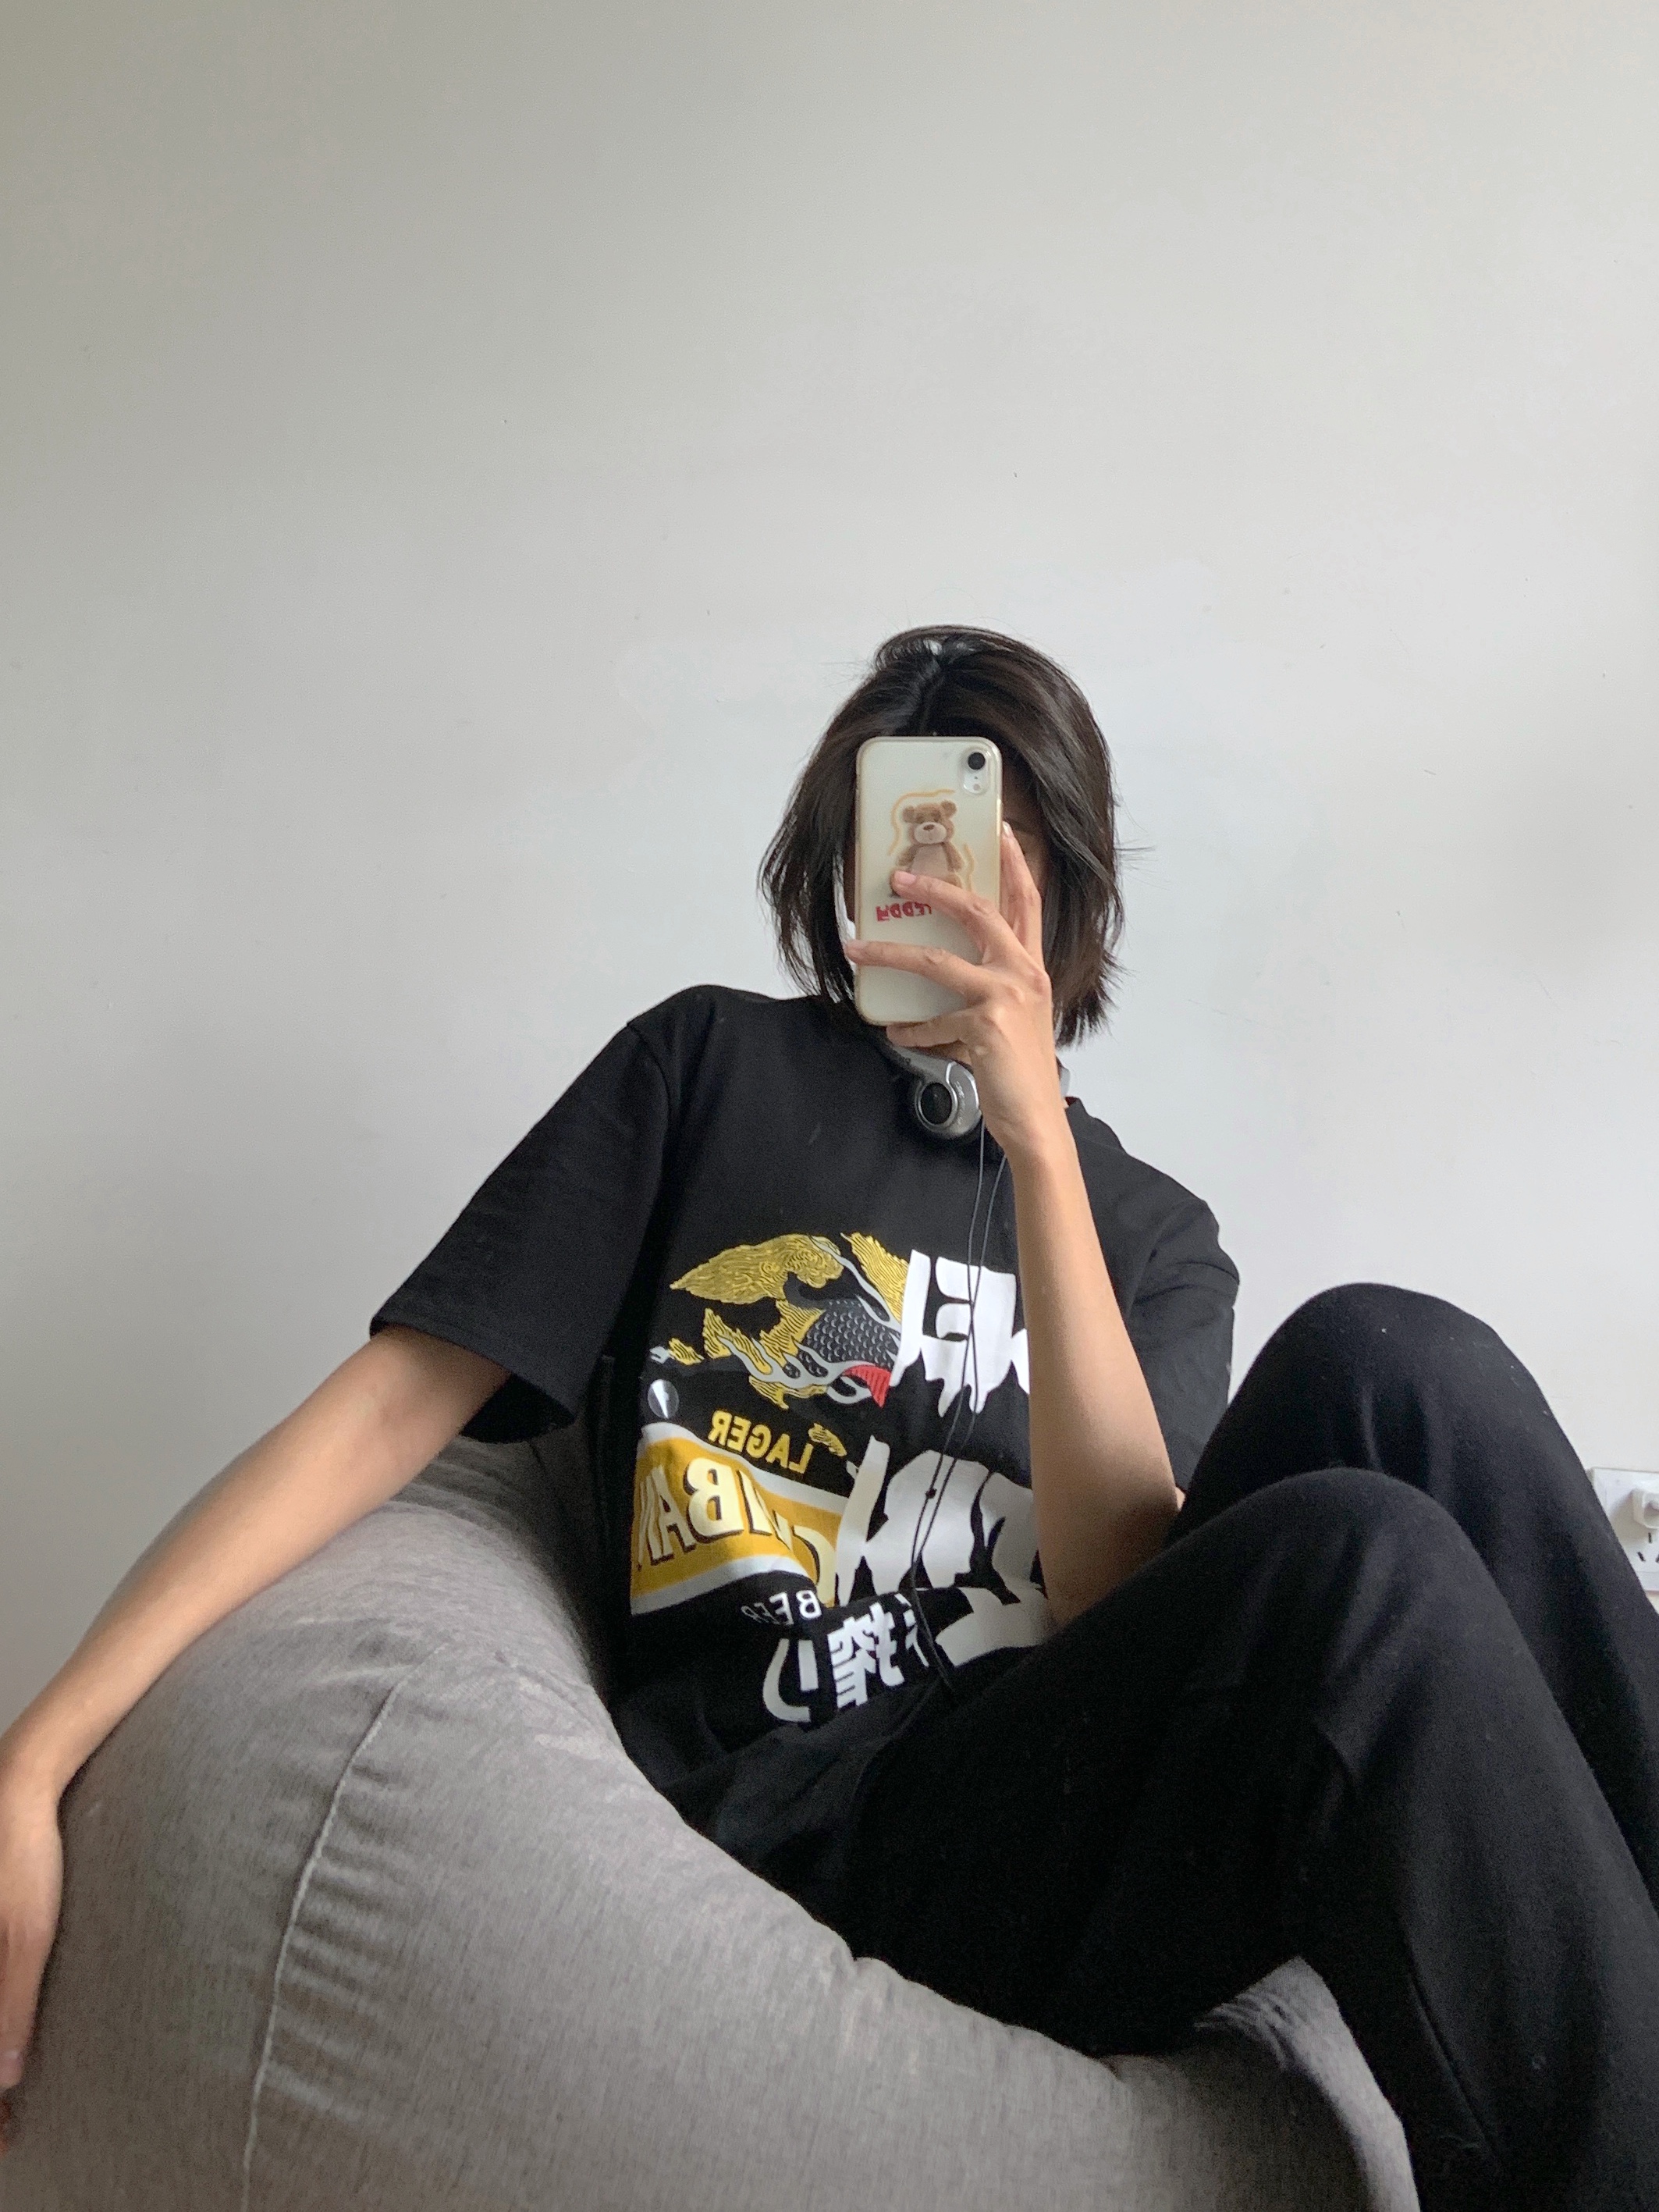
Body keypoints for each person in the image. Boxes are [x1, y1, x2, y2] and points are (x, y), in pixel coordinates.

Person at [1, 628, 1655, 2210]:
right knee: (1362, 1569)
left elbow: (1116, 1588)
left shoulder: (1147, 1230)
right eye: (906, 830)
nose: (944, 881)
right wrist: (41, 1751)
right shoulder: (701, 1071)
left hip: (1060, 1785)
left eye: (990, 844)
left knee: (1397, 1359)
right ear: (839, 859)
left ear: (1065, 887)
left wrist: (1030, 1134)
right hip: (813, 1809)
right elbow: (382, 1417)